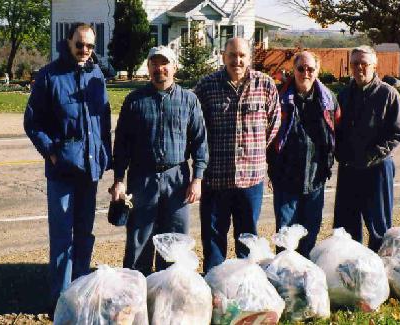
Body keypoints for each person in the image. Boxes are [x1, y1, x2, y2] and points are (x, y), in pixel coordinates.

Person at [23, 23, 112, 311]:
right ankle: (61, 301)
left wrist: (104, 155)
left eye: (89, 46)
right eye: (79, 44)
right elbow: (32, 122)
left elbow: (103, 120)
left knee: (84, 235)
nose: (84, 50)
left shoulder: (96, 75)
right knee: (63, 237)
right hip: (62, 172)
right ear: (69, 42)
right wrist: (51, 152)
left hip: (90, 171)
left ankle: (81, 294)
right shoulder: (50, 75)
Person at [110, 45, 208, 275]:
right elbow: (122, 144)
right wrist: (118, 179)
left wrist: (198, 178)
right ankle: (138, 292)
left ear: (174, 67)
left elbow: (200, 142)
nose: (159, 68)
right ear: (149, 67)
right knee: (139, 238)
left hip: (177, 179)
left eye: (164, 63)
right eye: (154, 63)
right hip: (142, 178)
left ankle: (169, 294)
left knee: (174, 240)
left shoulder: (189, 100)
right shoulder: (135, 101)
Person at [194, 38, 281, 272]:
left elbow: (274, 124)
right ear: (223, 56)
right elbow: (195, 127)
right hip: (215, 178)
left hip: (251, 179)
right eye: (232, 55)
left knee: (247, 239)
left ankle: (246, 287)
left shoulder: (265, 85)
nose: (237, 60)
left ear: (249, 57)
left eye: (242, 55)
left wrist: (255, 151)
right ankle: (214, 286)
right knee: (213, 239)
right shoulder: (206, 86)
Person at [333, 45, 400, 252]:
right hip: (349, 168)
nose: (359, 68)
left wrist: (372, 156)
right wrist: (340, 153)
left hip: (378, 169)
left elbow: (397, 134)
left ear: (374, 66)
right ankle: (352, 271)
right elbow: (336, 131)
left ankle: (380, 272)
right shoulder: (344, 96)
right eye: (355, 64)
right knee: (346, 225)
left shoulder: (387, 95)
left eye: (364, 64)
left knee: (379, 226)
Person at [267, 50, 339, 257]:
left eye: (310, 69)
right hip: (285, 178)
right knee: (286, 231)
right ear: (293, 70)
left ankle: (306, 270)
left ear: (318, 71)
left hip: (315, 177)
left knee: (310, 230)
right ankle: (284, 274)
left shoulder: (328, 100)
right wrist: (273, 169)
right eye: (301, 68)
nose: (305, 73)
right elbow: (268, 136)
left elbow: (337, 132)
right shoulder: (278, 98)